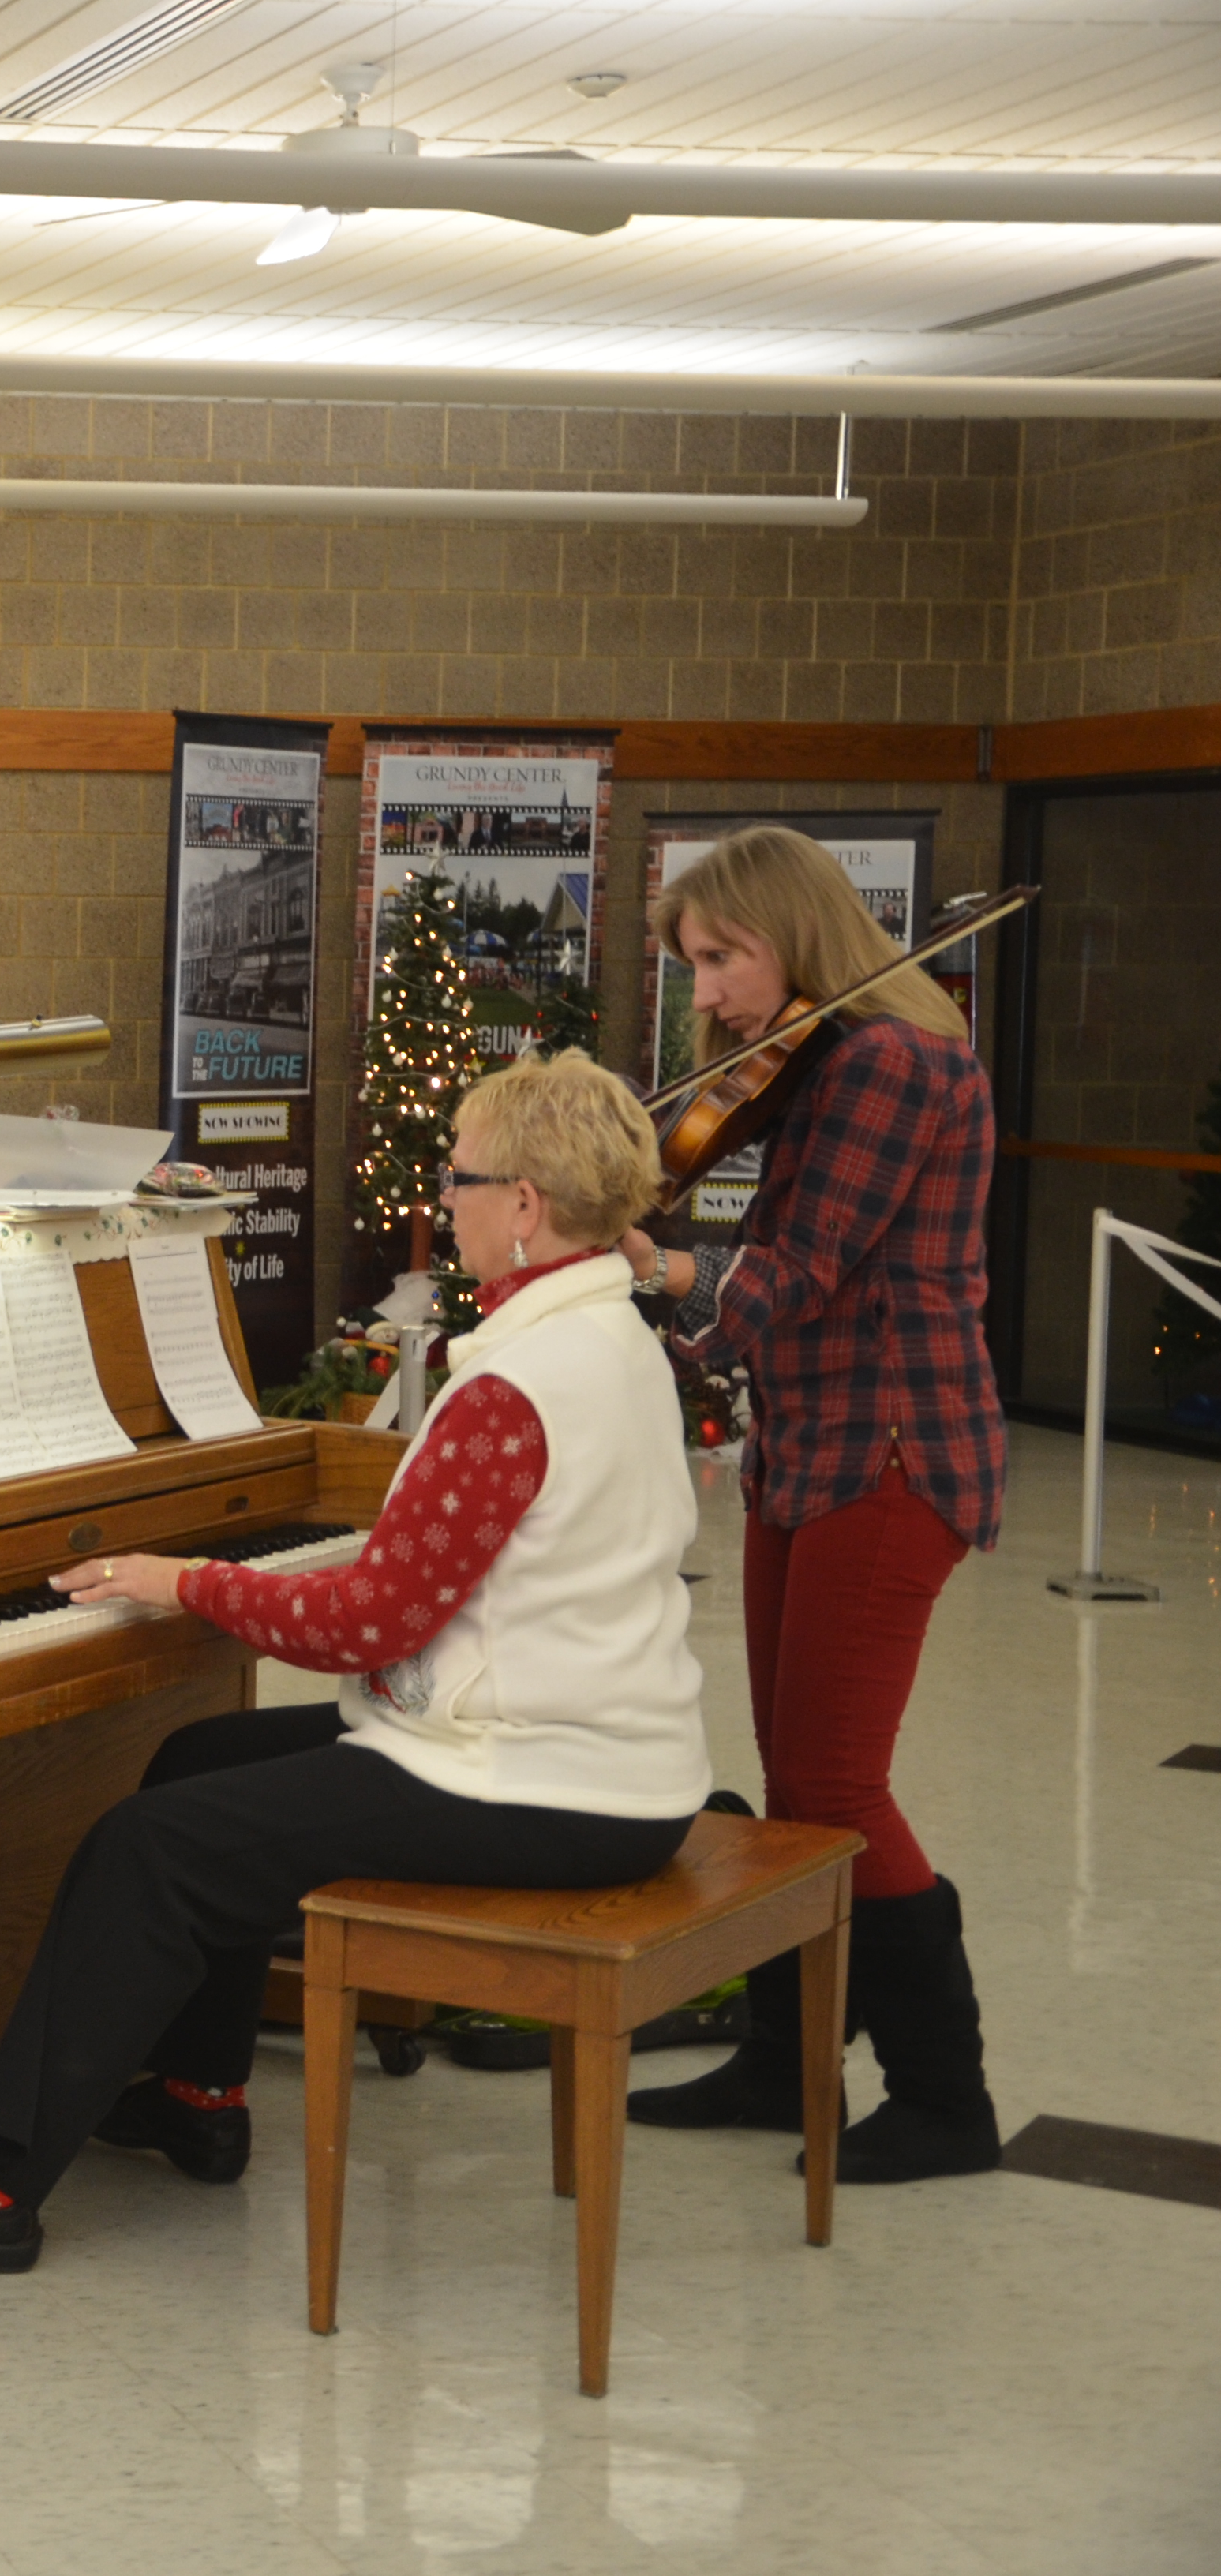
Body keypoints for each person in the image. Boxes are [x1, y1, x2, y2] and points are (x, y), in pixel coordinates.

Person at [0, 1050, 708, 2272]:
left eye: (459, 1176)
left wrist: (182, 1581)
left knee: (149, 1851)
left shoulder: (518, 1382)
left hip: (537, 1781)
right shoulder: (610, 1329)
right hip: (604, 1755)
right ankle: (198, 2099)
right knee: (196, 1760)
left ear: (526, 1207)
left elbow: (368, 1625)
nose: (444, 1197)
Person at [619, 825, 1006, 2184]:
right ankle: (790, 2072)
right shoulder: (827, 1059)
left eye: (722, 957)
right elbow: (763, 1297)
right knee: (794, 1784)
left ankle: (947, 2102)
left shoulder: (894, 1059)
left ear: (796, 930)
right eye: (694, 965)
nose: (709, 995)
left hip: (894, 1455)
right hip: (812, 1448)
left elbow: (801, 1270)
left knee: (838, 1781)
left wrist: (651, 1270)